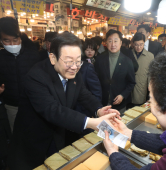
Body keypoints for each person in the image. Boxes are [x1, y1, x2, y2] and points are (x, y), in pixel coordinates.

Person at [8, 32, 120, 170]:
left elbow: (84, 94)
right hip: (34, 138)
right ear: (53, 58)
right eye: (68, 61)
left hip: (58, 134)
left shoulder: (74, 72)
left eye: (78, 61)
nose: (74, 67)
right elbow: (52, 110)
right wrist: (90, 123)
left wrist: (99, 110)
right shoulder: (36, 76)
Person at [0, 17, 40, 132]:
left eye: (15, 39)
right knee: (17, 134)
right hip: (11, 106)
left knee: (35, 133)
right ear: (1, 41)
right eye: (7, 40)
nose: (12, 44)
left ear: (20, 38)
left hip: (33, 104)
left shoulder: (33, 55)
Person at [94, 29, 136, 114]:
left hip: (119, 105)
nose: (113, 44)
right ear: (106, 43)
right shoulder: (99, 59)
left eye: (116, 41)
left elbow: (131, 82)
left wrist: (123, 95)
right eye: (110, 41)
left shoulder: (127, 61)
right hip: (102, 104)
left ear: (120, 42)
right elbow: (95, 81)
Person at [130, 32, 154, 107]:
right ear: (133, 44)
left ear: (144, 43)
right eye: (136, 44)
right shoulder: (128, 54)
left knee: (139, 106)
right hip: (128, 85)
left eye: (141, 44)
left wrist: (150, 85)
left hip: (141, 85)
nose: (139, 47)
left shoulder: (150, 56)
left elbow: (151, 73)